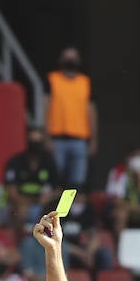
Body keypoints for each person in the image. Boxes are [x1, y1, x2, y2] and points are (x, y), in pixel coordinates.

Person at [44, 47, 97, 189]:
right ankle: (55, 210)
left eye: (73, 57)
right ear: (60, 60)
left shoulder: (85, 82)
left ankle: (74, 211)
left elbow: (91, 112)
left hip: (80, 140)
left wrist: (93, 139)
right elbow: (46, 108)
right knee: (56, 180)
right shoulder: (52, 79)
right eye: (67, 57)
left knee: (77, 183)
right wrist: (46, 136)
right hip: (57, 139)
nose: (70, 60)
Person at [0, 126, 60, 228]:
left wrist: (48, 197)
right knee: (20, 211)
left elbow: (58, 188)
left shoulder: (49, 162)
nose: (35, 145)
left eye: (38, 141)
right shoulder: (15, 162)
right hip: (18, 203)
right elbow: (11, 192)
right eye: (32, 141)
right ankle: (18, 242)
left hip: (43, 203)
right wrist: (31, 202)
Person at [105, 148, 140, 236]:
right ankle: (121, 245)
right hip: (124, 208)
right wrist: (135, 208)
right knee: (121, 215)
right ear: (128, 158)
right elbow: (117, 201)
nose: (138, 159)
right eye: (136, 156)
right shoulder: (118, 172)